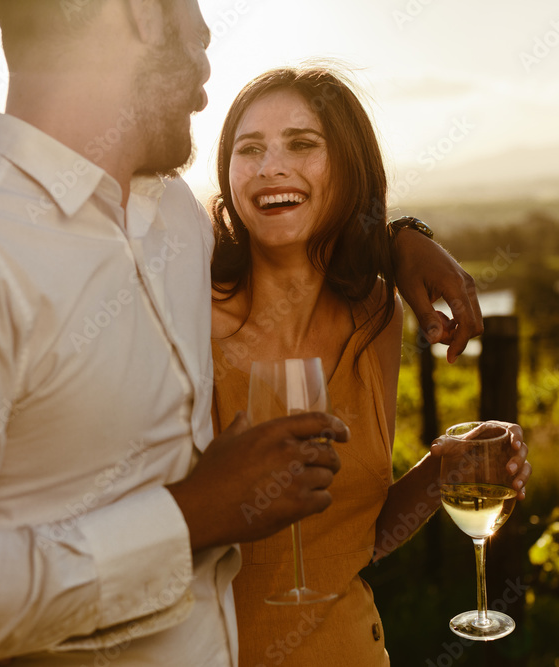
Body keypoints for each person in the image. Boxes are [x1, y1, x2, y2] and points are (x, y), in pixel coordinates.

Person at [0, 2, 490, 666]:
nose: (209, 28)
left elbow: (296, 249)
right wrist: (187, 517)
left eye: (301, 142)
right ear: (139, 13)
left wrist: (398, 240)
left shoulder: (172, 223)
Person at [209, 67, 531, 666]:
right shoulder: (184, 310)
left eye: (302, 144)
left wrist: (441, 473)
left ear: (350, 166)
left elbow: (363, 536)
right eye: (247, 149)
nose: (269, 166)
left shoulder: (377, 313)